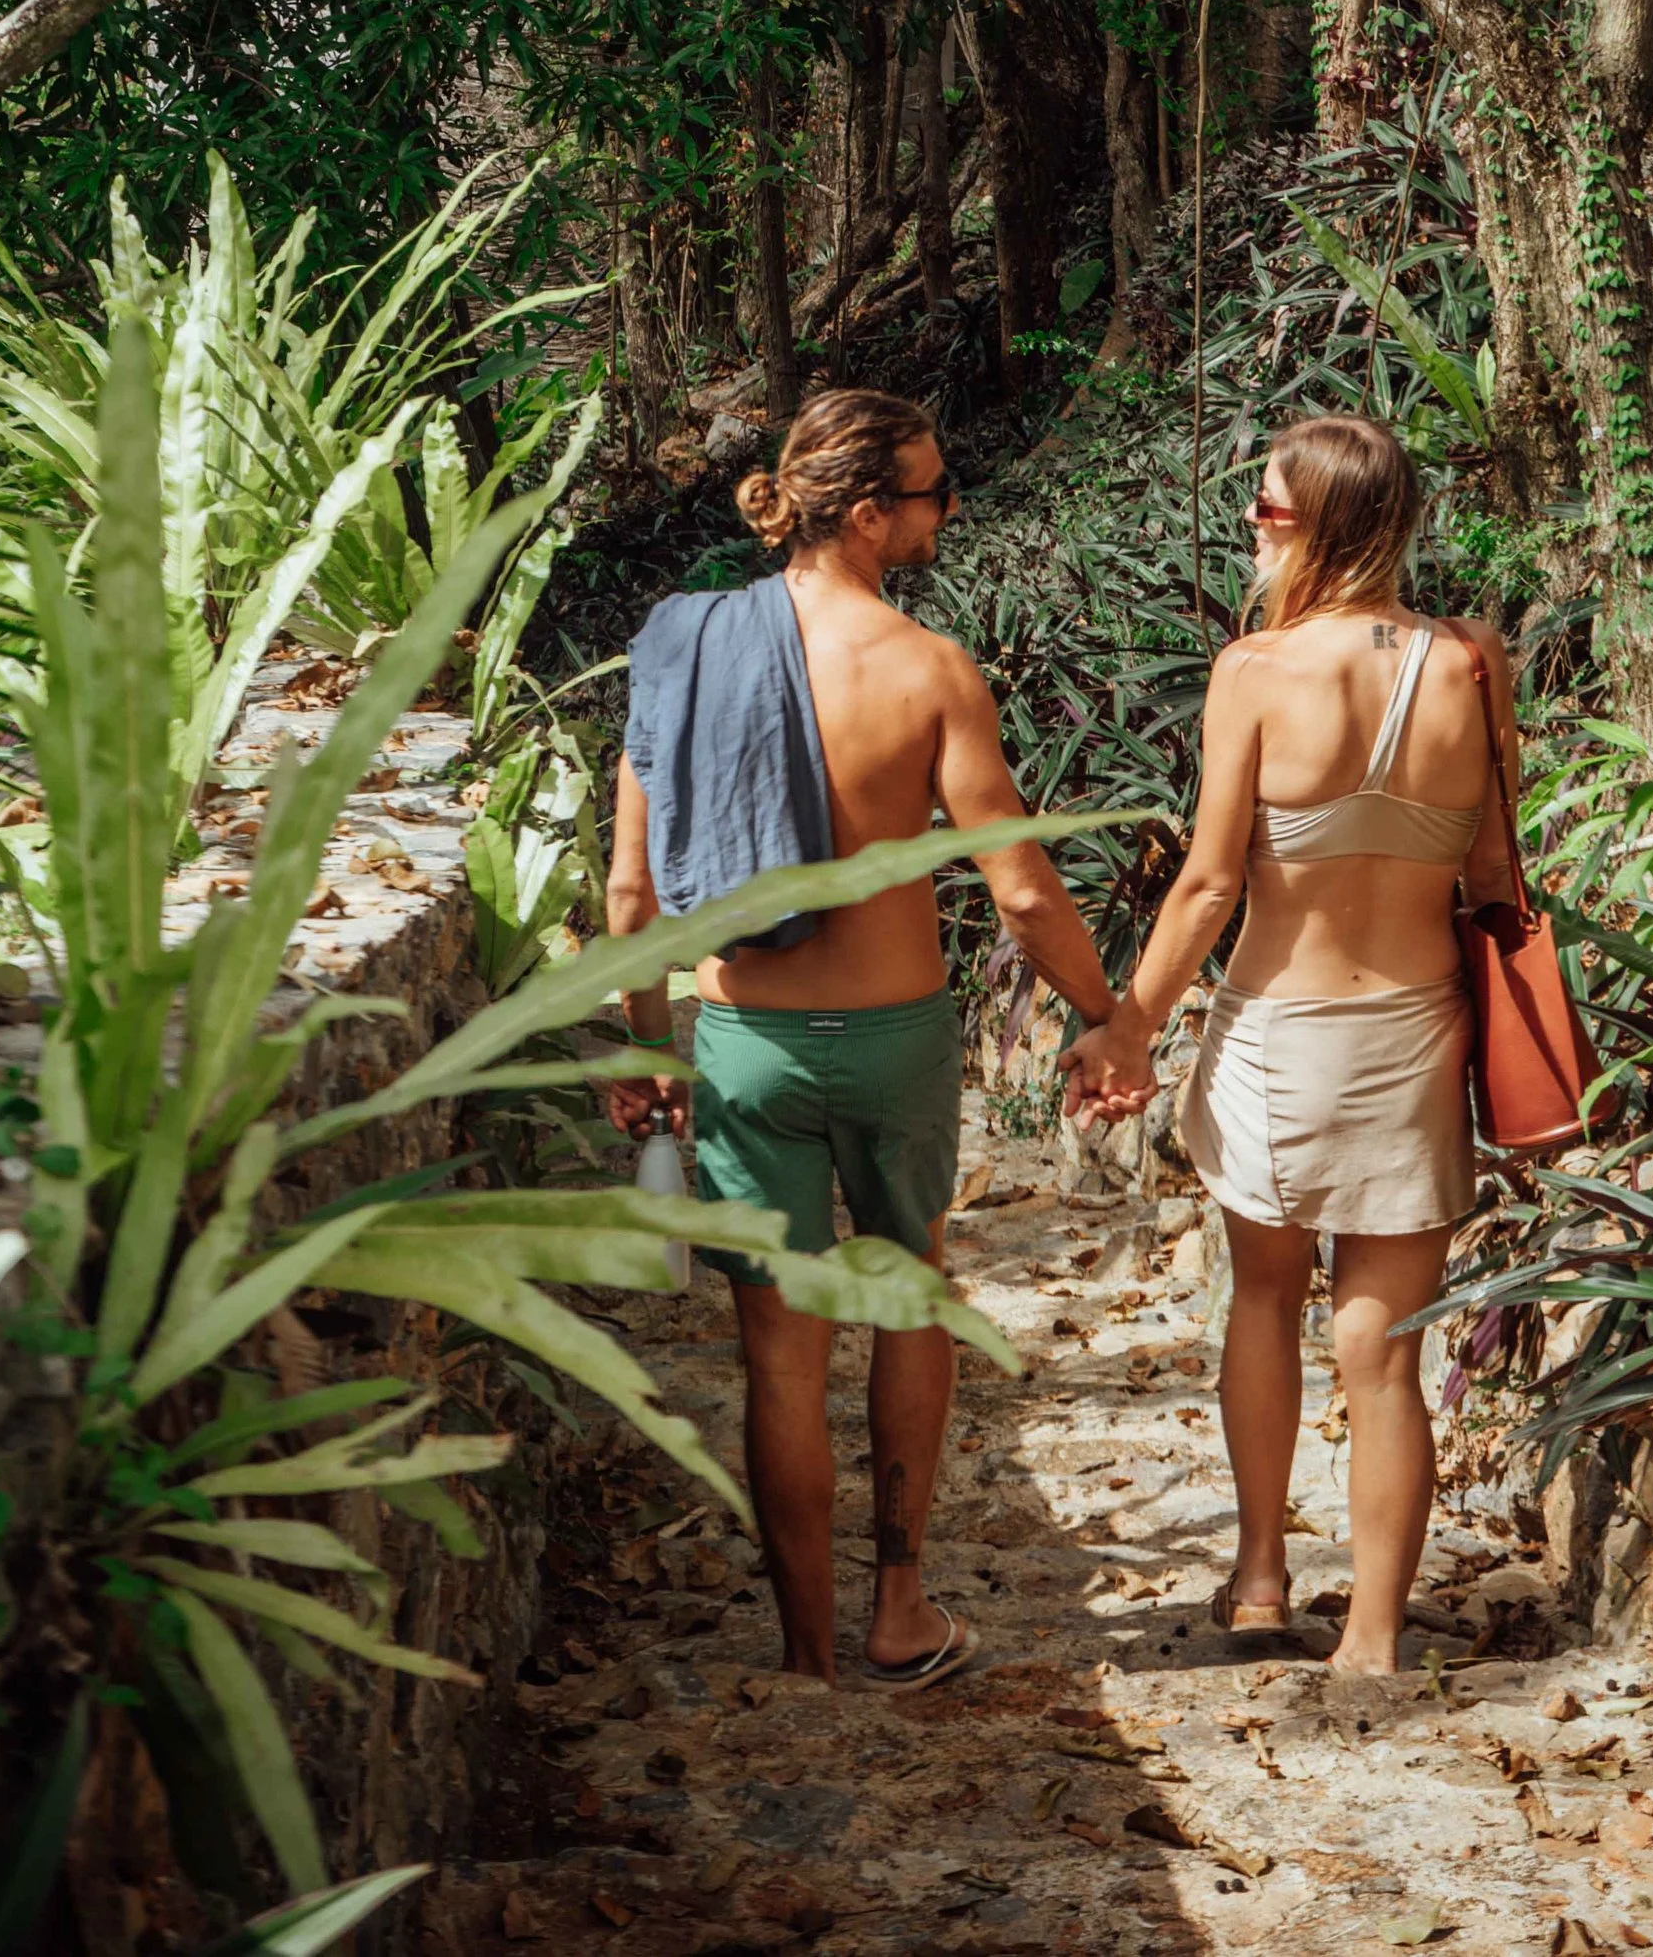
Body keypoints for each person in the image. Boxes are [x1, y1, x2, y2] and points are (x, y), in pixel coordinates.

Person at [605, 387, 1120, 1690]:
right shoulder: (929, 669)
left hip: (745, 1042)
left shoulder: (687, 648)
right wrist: (1105, 1014)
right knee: (910, 1297)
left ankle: (805, 1653)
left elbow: (629, 896)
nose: (949, 512)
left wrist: (650, 1051)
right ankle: (899, 1609)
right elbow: (1019, 890)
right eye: (936, 492)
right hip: (894, 1044)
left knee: (779, 1353)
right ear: (873, 512)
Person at [1067, 412, 1517, 1675]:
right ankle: (1370, 1638)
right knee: (1384, 1349)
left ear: (1323, 522)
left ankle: (1260, 1579)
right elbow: (1493, 872)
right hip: (1417, 1037)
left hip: (1278, 1035)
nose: (1252, 524)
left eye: (1267, 507)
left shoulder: (1254, 670)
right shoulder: (1473, 661)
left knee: (1264, 1300)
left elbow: (1210, 884)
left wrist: (1127, 1028)